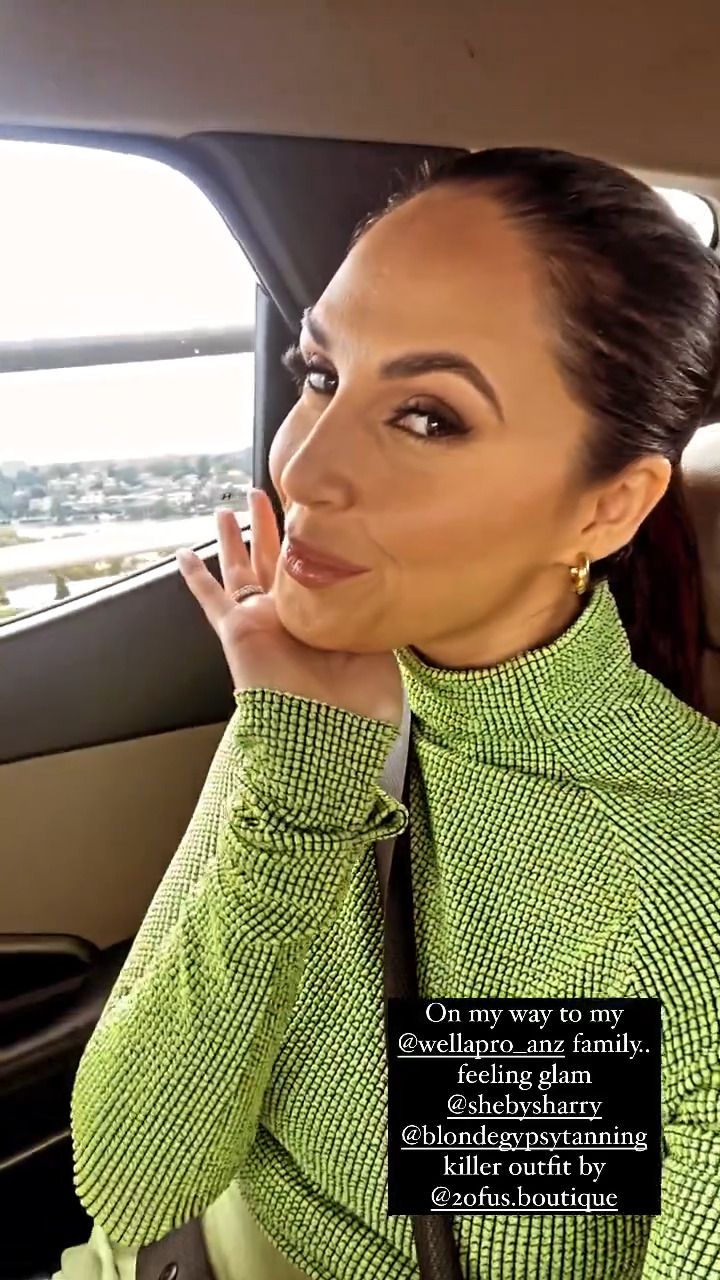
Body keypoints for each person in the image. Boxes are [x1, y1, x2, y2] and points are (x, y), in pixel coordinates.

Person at [53, 147, 720, 1280]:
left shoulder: (678, 888)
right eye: (319, 373)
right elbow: (137, 1180)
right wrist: (299, 791)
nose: (305, 468)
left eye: (425, 417)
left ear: (610, 505)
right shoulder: (312, 707)